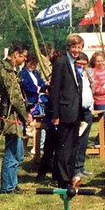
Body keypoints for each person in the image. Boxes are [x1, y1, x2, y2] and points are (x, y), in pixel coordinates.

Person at [0, 41, 32, 194]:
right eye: (24, 57)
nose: (24, 60)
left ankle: (12, 184)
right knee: (12, 151)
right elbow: (14, 97)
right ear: (16, 54)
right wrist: (25, 114)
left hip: (15, 115)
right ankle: (7, 187)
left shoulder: (11, 70)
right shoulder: (6, 71)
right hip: (10, 115)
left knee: (18, 151)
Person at [49, 34, 83, 190]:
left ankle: (69, 176)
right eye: (74, 47)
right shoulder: (61, 62)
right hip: (64, 111)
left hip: (75, 111)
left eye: (79, 47)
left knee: (73, 146)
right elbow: (55, 89)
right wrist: (55, 114)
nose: (76, 50)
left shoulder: (75, 64)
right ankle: (63, 179)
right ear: (68, 47)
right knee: (64, 147)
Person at [36, 48, 63, 182]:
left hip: (58, 115)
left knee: (55, 148)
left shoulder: (60, 77)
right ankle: (42, 174)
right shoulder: (54, 78)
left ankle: (55, 174)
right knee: (50, 148)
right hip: (53, 117)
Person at [73, 52, 94, 181]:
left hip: (87, 110)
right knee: (77, 140)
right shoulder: (74, 75)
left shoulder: (86, 75)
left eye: (84, 64)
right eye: (79, 63)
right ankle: (75, 169)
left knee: (84, 141)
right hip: (78, 111)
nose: (82, 66)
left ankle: (81, 167)